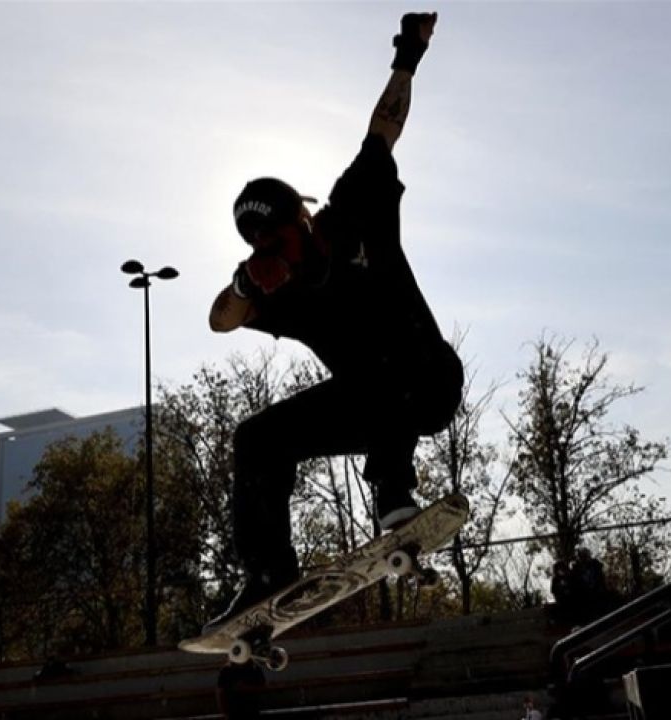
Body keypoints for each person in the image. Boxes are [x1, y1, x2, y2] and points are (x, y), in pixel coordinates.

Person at [204, 11, 463, 632]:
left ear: (302, 219)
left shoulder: (352, 208)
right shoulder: (279, 291)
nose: (278, 259)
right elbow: (220, 321)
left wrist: (408, 56)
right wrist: (245, 283)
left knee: (383, 353)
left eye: (279, 242)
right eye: (261, 251)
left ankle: (394, 494)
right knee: (256, 440)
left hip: (428, 380)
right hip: (366, 407)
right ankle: (268, 572)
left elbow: (384, 130)